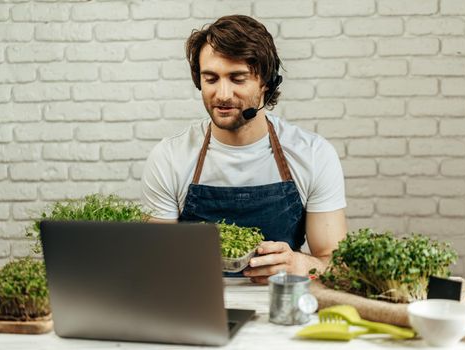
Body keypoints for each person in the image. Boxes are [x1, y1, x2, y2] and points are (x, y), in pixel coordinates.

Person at [141, 15, 347, 284]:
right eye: (211, 79)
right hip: (194, 306)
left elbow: (337, 265)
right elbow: (154, 263)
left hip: (282, 306)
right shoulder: (169, 157)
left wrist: (299, 263)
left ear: (267, 84)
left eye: (237, 79)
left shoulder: (314, 155)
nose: (223, 94)